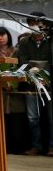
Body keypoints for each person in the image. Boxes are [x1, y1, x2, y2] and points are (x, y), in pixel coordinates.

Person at [17, 12, 53, 156]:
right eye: (32, 23)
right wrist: (35, 77)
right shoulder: (24, 42)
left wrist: (46, 77)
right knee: (33, 118)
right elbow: (23, 62)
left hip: (50, 85)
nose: (36, 26)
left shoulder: (50, 41)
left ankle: (51, 146)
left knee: (51, 118)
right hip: (31, 84)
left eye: (40, 23)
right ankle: (36, 145)